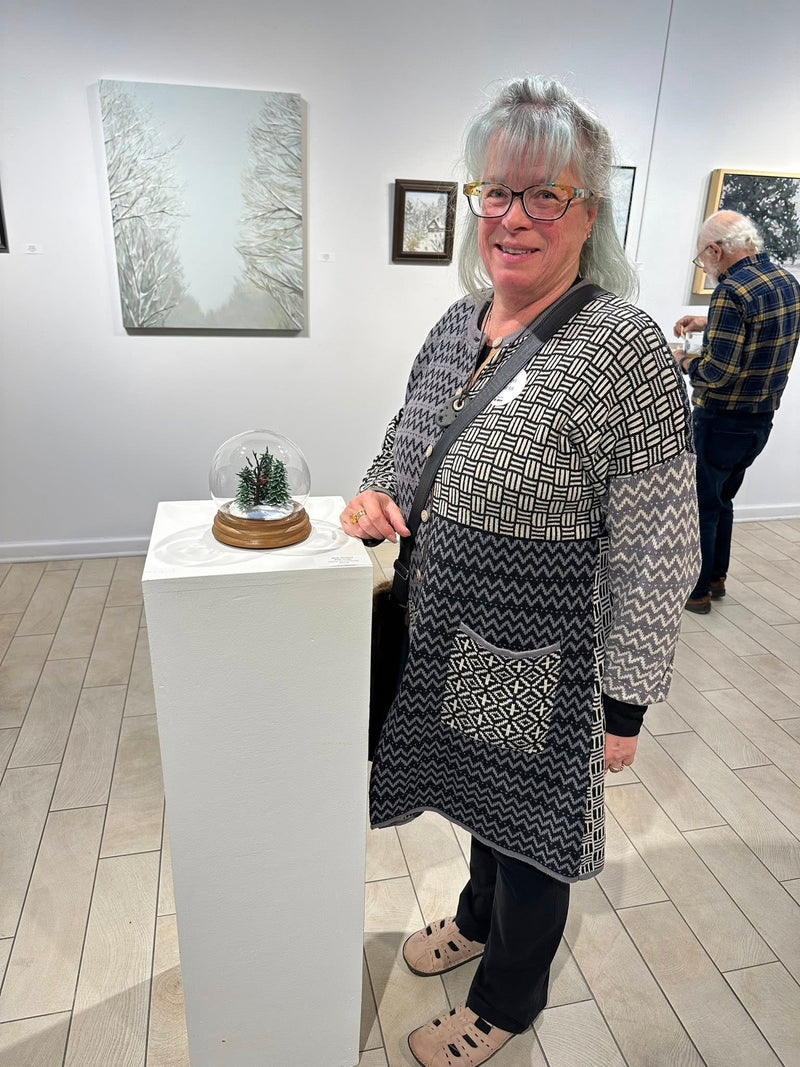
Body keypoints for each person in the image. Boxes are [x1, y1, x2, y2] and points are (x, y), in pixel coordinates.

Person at [341, 76, 699, 1067]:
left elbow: (658, 539)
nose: (513, 215)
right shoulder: (460, 323)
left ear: (589, 210)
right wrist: (377, 494)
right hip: (441, 627)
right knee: (474, 799)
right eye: (495, 190)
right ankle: (469, 914)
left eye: (545, 193)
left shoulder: (620, 349)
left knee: (532, 831)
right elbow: (406, 441)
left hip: (538, 647)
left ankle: (505, 998)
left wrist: (623, 701)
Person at [674, 210, 800, 613]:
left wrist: (684, 360)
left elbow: (717, 372)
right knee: (724, 499)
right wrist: (709, 321)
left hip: (720, 419)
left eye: (702, 258)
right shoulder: (784, 282)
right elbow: (761, 326)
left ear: (716, 250)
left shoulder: (731, 292)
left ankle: (696, 593)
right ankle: (717, 577)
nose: (705, 266)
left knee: (703, 506)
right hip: (760, 420)